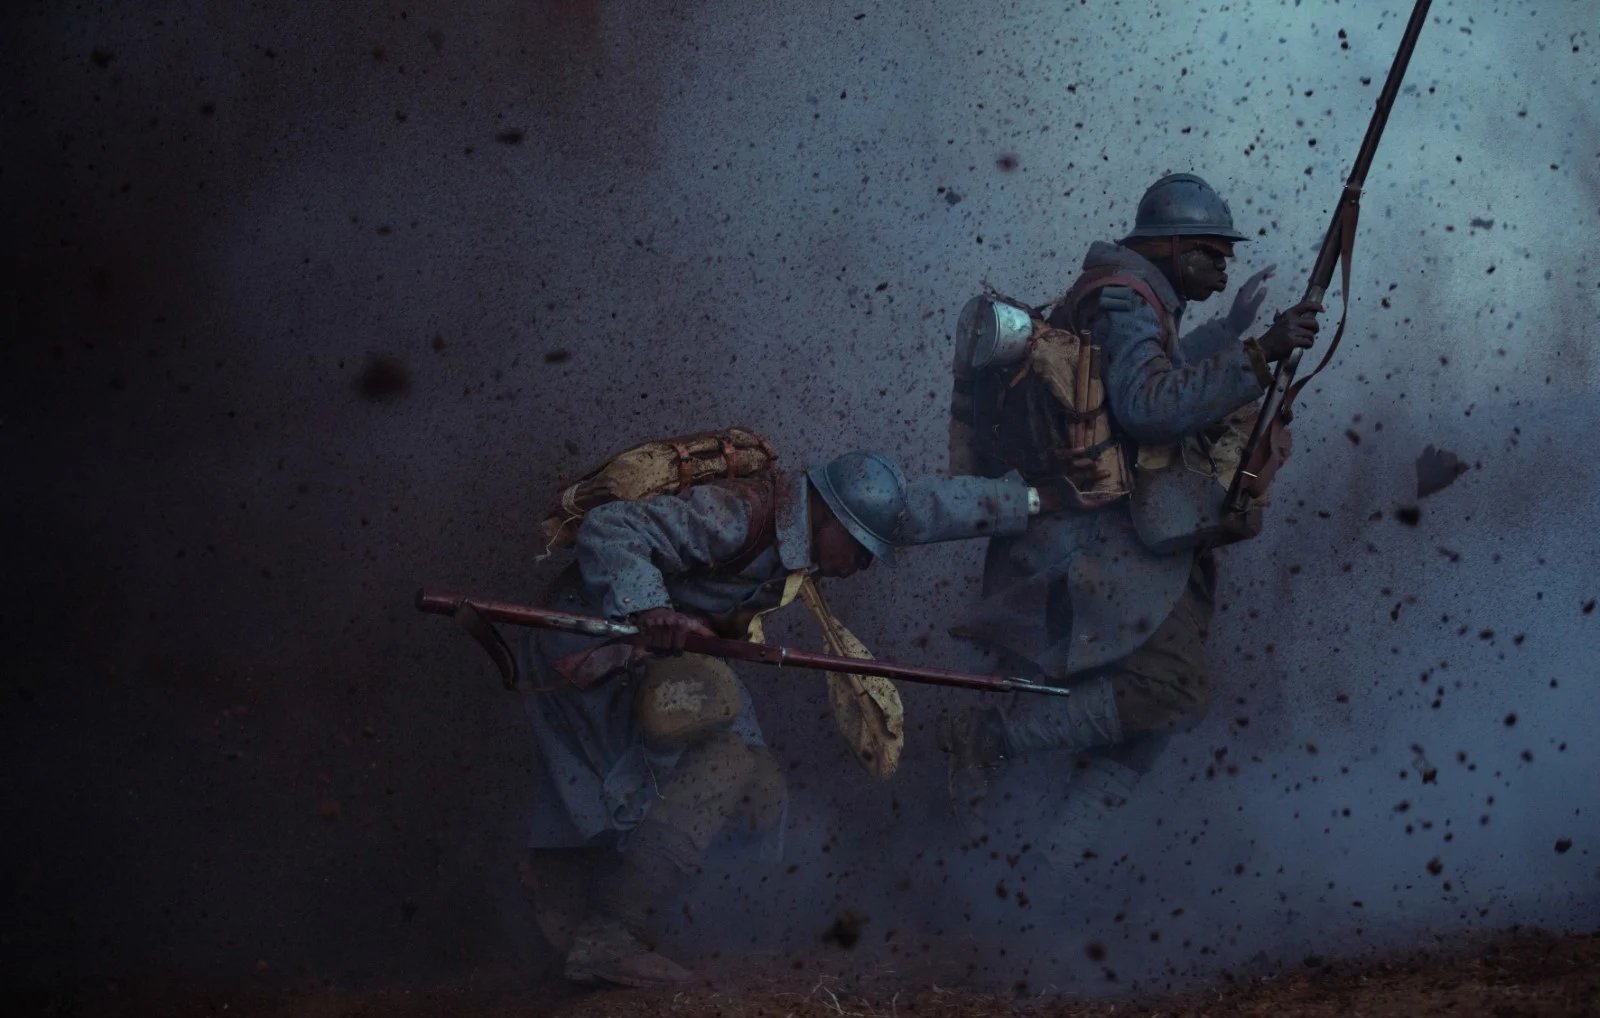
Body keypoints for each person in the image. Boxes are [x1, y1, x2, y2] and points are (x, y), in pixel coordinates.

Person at [521, 450, 1052, 987]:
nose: (865, 564)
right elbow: (610, 526)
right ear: (827, 515)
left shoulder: (830, 513)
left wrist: (1034, 500)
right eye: (862, 548)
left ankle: (668, 922)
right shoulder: (734, 515)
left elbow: (926, 508)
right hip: (591, 638)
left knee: (757, 780)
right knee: (686, 772)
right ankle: (608, 935)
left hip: (662, 653)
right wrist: (645, 607)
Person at [939, 172, 1322, 870]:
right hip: (1097, 542)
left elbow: (1140, 379)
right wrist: (1259, 354)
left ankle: (1052, 871)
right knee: (1171, 688)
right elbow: (1146, 404)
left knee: (1167, 704)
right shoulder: (1122, 296)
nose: (1222, 264)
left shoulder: (1134, 298)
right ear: (1172, 245)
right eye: (1212, 251)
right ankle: (992, 737)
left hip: (1116, 537)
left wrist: (1232, 333)